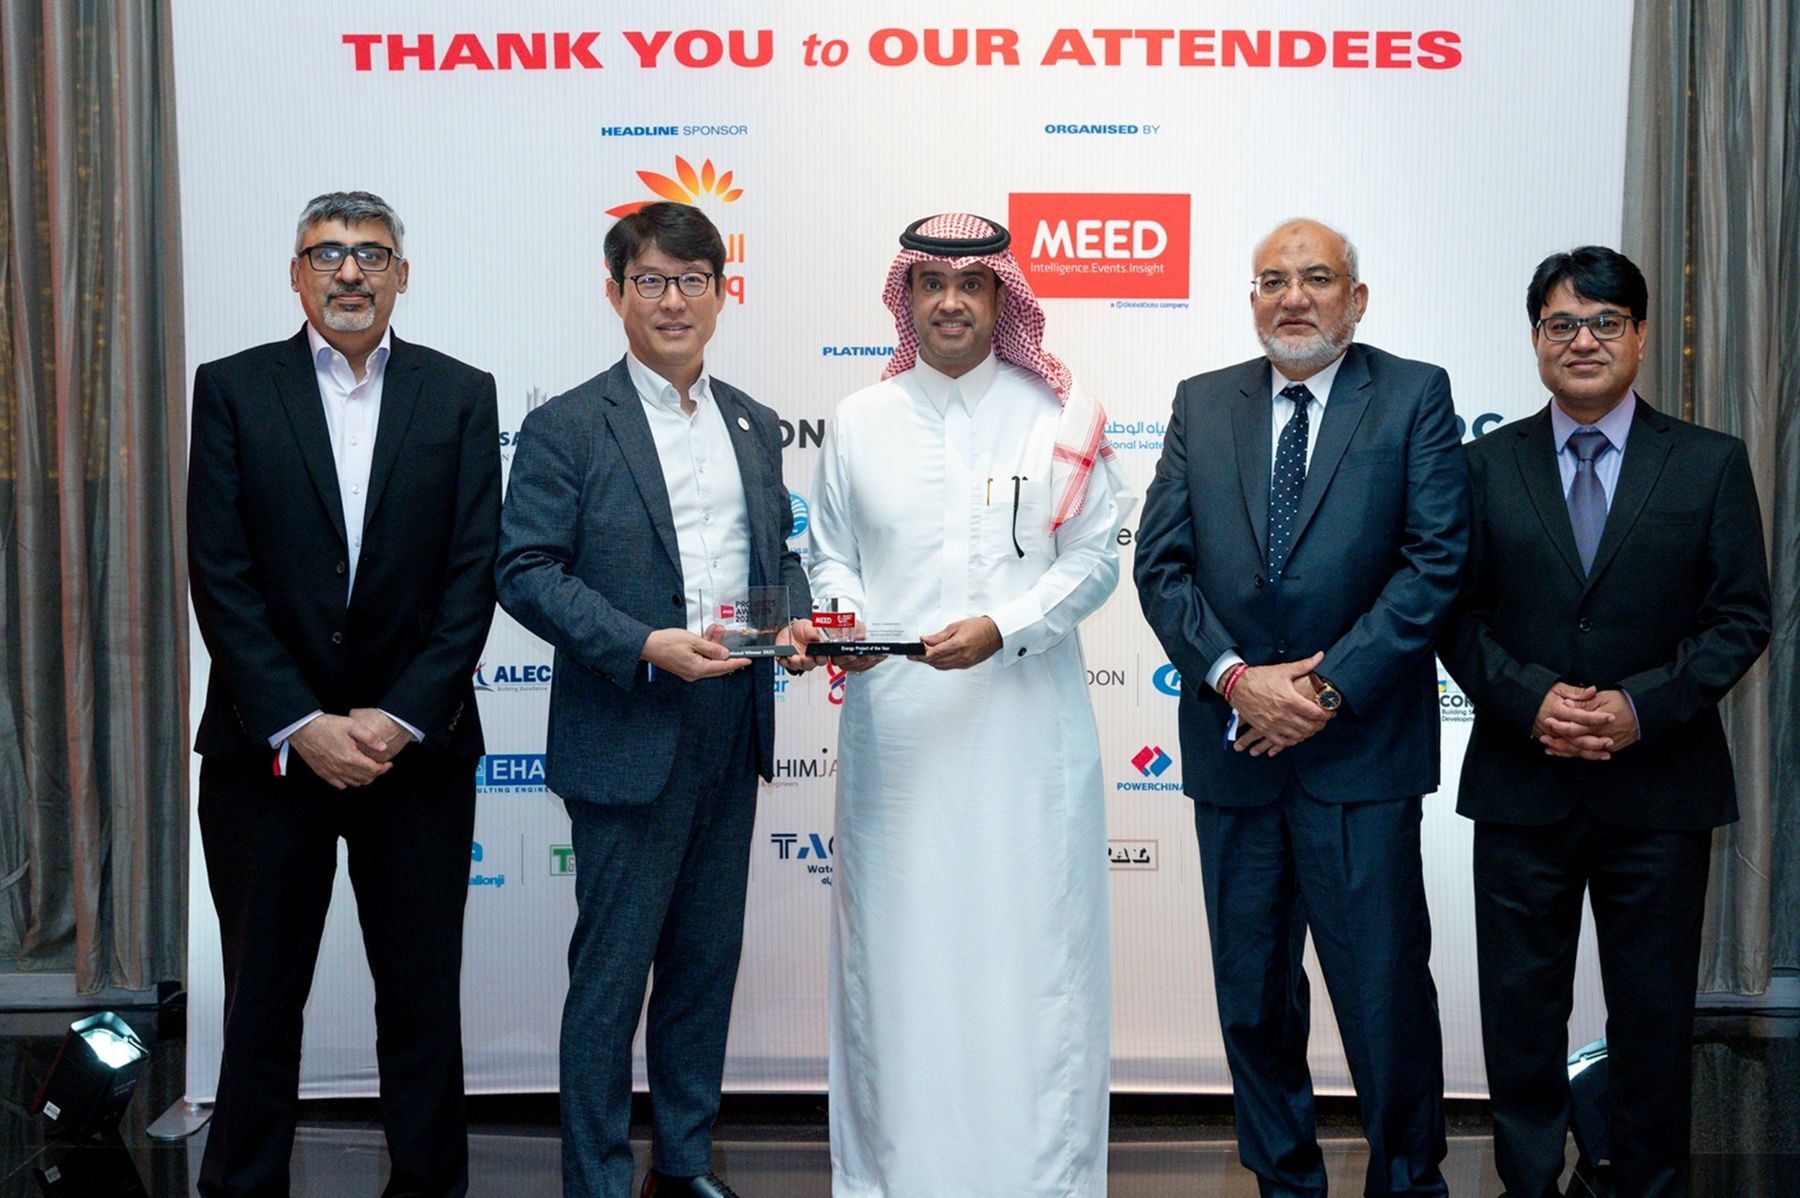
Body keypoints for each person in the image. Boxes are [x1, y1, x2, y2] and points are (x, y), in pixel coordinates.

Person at [1134, 218, 1468, 1197]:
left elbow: (1434, 563)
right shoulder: (1204, 402)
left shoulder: (1412, 394)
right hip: (1235, 747)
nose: (1292, 297)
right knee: (1252, 997)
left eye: (1316, 278)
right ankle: (1283, 1182)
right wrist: (1238, 678)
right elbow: (1160, 564)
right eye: (1272, 280)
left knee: (1383, 995)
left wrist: (1322, 688)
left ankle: (1407, 1182)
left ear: (1355, 299)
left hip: (1359, 752)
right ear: (1252, 298)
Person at [808, 212, 1133, 1197]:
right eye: (931, 284)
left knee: (1032, 960)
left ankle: (1039, 1180)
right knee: (896, 960)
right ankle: (894, 1177)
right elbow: (830, 554)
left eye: (971, 284)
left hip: (1027, 740)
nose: (950, 302)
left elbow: (1095, 560)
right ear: (906, 297)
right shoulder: (858, 420)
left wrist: (1006, 625)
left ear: (1003, 298)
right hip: (898, 742)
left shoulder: (1061, 418)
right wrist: (849, 622)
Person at [495, 201, 815, 1198]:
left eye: (692, 281)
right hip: (628, 723)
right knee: (611, 978)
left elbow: (773, 558)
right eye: (651, 281)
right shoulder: (565, 425)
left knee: (703, 965)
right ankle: (595, 1178)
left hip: (731, 720)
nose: (673, 301)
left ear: (721, 293)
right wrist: (640, 645)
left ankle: (683, 1162)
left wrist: (792, 624)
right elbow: (526, 571)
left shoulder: (753, 422)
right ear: (616, 293)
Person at [1439, 246, 1770, 1198]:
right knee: (1520, 1016)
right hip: (1522, 784)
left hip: (1661, 791)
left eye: (1604, 322)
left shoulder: (1709, 463)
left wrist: (1638, 708)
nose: (1582, 341)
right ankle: (1528, 1184)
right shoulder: (1479, 466)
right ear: (1536, 339)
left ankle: (1646, 1182)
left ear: (1641, 335)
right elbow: (1455, 615)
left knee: (1654, 1017)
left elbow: (1740, 617)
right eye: (1562, 324)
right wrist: (1529, 699)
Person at [187, 191, 500, 1197]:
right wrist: (301, 722)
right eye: (327, 254)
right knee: (260, 1000)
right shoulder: (232, 388)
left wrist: (397, 718)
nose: (350, 272)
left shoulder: (461, 394)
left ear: (403, 274)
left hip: (417, 753)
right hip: (266, 753)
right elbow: (220, 574)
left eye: (372, 254)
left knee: (421, 1002)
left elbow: (472, 575)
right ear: (296, 275)